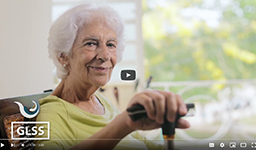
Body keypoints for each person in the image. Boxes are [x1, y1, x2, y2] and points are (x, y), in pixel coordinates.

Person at [35, 3, 190, 150]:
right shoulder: (53, 113)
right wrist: (123, 124)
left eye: (110, 44)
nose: (105, 55)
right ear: (63, 56)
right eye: (91, 43)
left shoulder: (101, 103)